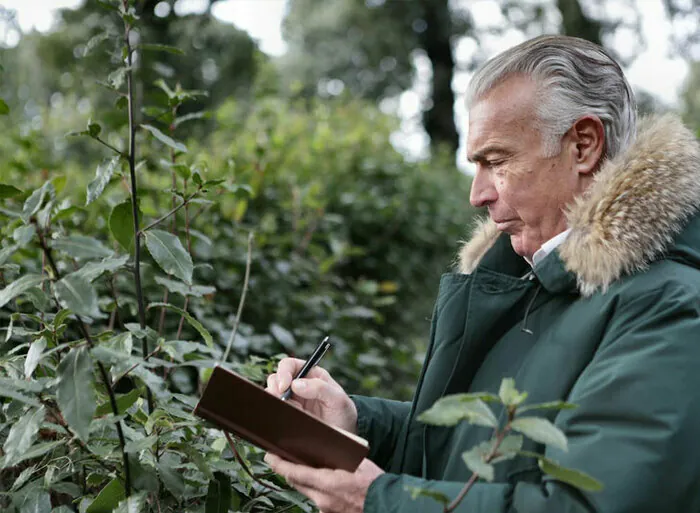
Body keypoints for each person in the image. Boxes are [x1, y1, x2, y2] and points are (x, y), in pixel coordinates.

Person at [264, 34, 700, 513]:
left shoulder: (668, 308)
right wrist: (356, 423)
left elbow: (587, 507)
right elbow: (476, 448)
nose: (478, 194)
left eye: (497, 161)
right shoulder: (532, 277)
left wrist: (378, 501)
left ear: (583, 145)